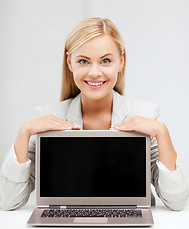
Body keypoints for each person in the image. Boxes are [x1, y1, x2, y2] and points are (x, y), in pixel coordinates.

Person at [0, 18, 188, 211]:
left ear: (121, 62)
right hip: (64, 228)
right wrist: (24, 132)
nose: (94, 72)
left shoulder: (146, 115)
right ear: (70, 63)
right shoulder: (48, 116)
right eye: (83, 61)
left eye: (105, 61)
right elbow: (9, 201)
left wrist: (162, 132)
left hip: (129, 227)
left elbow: (176, 201)